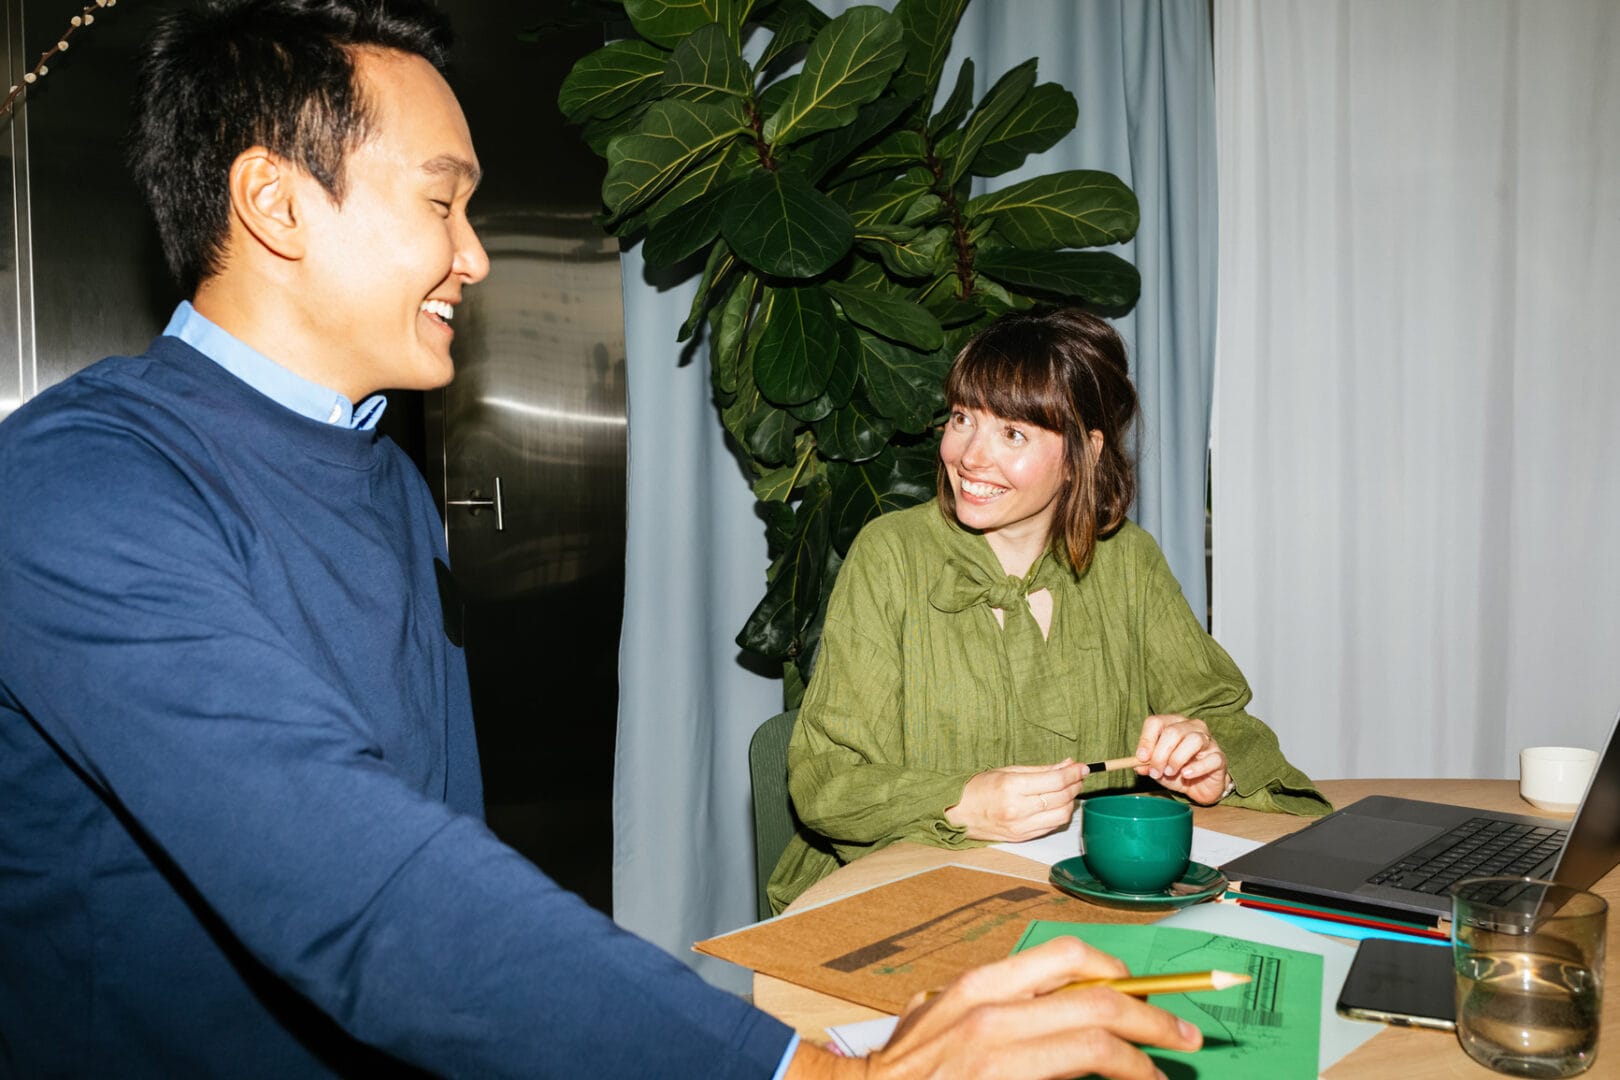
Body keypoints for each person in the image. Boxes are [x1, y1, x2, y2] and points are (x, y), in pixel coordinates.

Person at [0, 3, 1208, 1077]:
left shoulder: (383, 482)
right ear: (273, 203)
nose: (473, 255)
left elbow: (444, 849)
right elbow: (362, 889)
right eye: (441, 202)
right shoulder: (78, 488)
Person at [770, 308, 1330, 911]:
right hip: (912, 896)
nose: (970, 458)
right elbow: (825, 779)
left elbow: (1221, 717)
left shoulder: (1128, 562)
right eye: (963, 419)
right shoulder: (890, 557)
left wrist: (1209, 763)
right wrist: (962, 802)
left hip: (1095, 898)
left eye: (1013, 434)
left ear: (1083, 454)